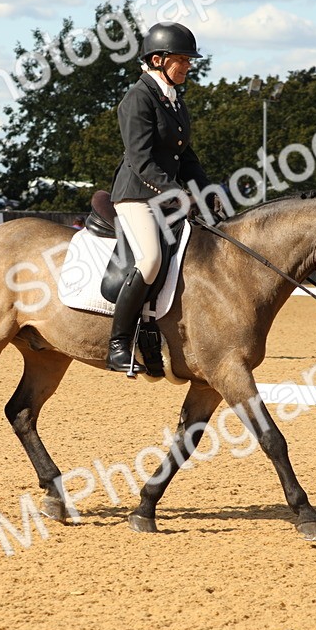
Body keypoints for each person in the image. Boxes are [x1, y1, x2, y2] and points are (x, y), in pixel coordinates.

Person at [105, 21, 215, 374]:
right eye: (181, 59)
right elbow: (141, 160)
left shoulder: (174, 100)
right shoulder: (137, 98)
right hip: (137, 195)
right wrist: (177, 193)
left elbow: (186, 156)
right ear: (157, 60)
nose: (188, 66)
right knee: (150, 259)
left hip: (166, 195)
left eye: (188, 60)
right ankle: (119, 343)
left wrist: (206, 191)